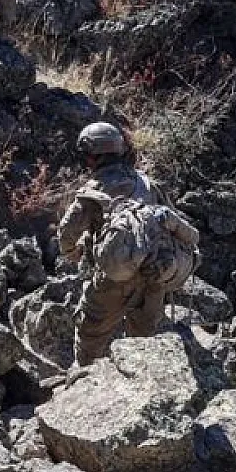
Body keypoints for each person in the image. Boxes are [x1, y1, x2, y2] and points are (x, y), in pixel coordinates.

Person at [56, 122, 201, 364]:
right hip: (153, 276)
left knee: (90, 335)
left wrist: (76, 252)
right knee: (144, 342)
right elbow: (171, 219)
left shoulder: (92, 193)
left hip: (113, 280)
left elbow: (66, 237)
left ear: (91, 157)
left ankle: (84, 384)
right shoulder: (147, 183)